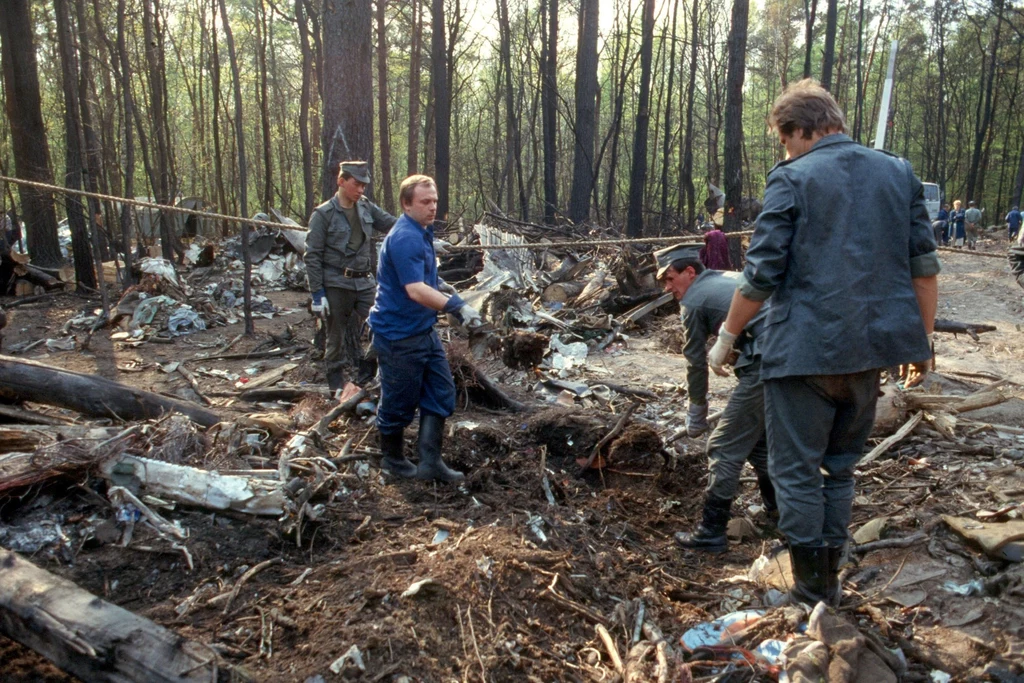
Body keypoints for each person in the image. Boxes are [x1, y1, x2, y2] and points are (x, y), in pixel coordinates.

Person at [709, 79, 939, 606]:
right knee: (839, 468)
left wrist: (727, 335)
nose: (785, 150)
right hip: (870, 353)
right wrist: (922, 341)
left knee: (794, 471)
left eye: (785, 140)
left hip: (801, 354)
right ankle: (829, 577)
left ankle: (811, 591)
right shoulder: (898, 172)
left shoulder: (792, 177)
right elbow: (923, 269)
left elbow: (762, 274)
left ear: (802, 130)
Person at [653, 243, 777, 552]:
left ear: (690, 272)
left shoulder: (694, 300)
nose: (669, 288)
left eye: (670, 279)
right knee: (758, 443)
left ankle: (711, 532)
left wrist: (697, 410)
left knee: (722, 445)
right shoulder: (724, 277)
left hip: (770, 362)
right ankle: (779, 516)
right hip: (787, 354)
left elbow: (694, 360)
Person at [368, 175, 482, 481]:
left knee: (441, 391)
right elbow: (416, 290)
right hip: (398, 334)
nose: (433, 208)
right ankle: (392, 461)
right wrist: (457, 307)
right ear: (406, 204)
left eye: (435, 201)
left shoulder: (421, 232)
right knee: (399, 401)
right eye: (425, 202)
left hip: (422, 329)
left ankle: (430, 462)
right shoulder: (405, 237)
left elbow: (428, 280)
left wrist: (446, 290)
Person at [304, 161, 397, 394]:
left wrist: (424, 236)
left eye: (364, 186)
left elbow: (392, 224)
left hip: (364, 282)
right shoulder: (323, 214)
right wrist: (317, 294)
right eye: (356, 184)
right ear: (341, 181)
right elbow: (312, 256)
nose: (361, 190)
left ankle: (368, 370)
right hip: (336, 283)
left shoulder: (366, 207)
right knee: (335, 335)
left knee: (384, 321)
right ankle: (336, 383)